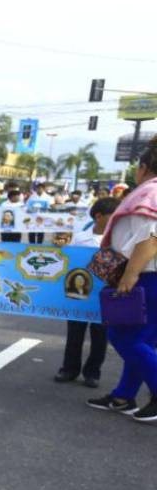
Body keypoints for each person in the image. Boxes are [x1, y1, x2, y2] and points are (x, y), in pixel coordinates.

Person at [86, 142, 157, 422]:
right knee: (142, 340)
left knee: (122, 336)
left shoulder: (150, 193)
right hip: (147, 275)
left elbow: (151, 238)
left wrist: (131, 274)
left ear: (142, 169)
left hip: (146, 275)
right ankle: (123, 395)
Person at [56, 197, 119, 388]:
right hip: (80, 291)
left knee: (100, 335)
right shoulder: (80, 237)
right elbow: (70, 261)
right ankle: (69, 369)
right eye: (113, 216)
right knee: (75, 332)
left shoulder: (118, 239)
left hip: (105, 293)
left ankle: (93, 372)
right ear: (98, 216)